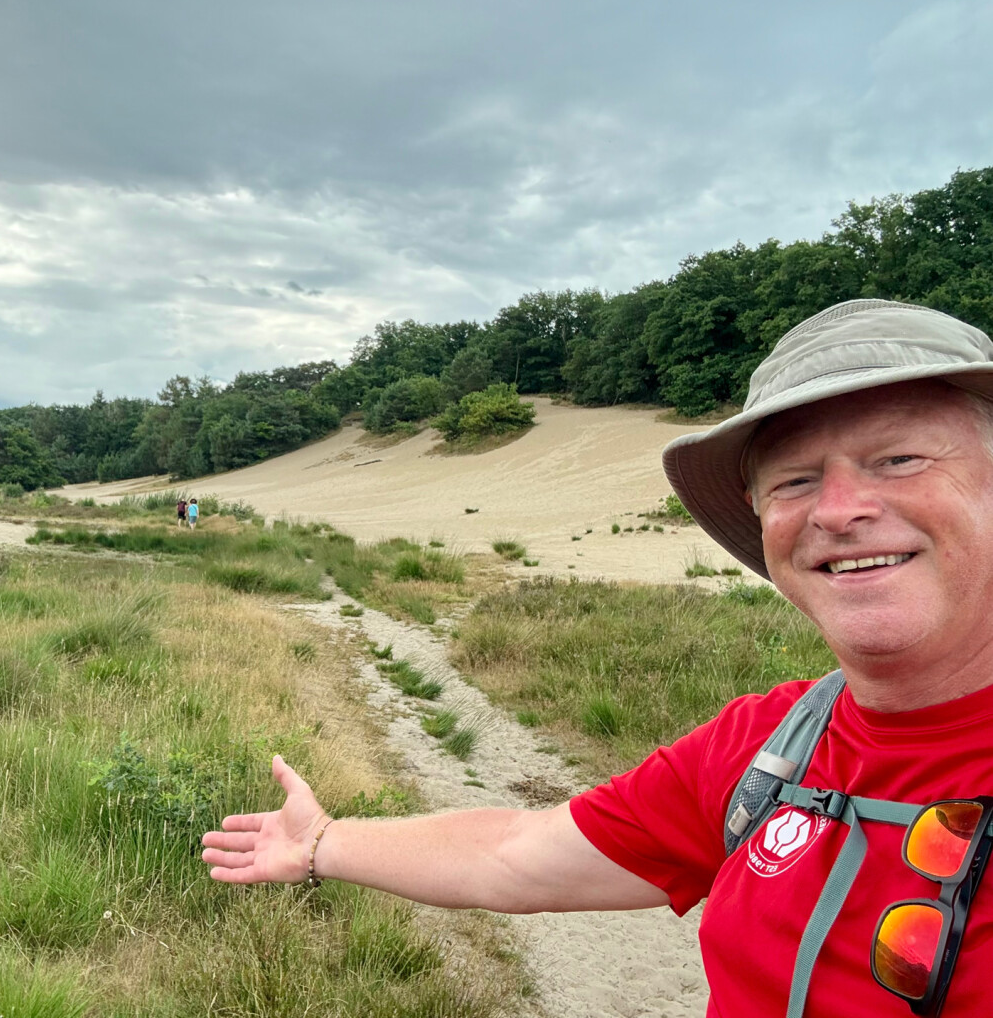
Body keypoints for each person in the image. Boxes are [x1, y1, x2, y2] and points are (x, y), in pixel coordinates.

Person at [202, 300, 993, 1017]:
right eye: (794, 479)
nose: (837, 509)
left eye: (899, 459)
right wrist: (319, 844)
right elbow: (517, 857)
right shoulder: (770, 745)